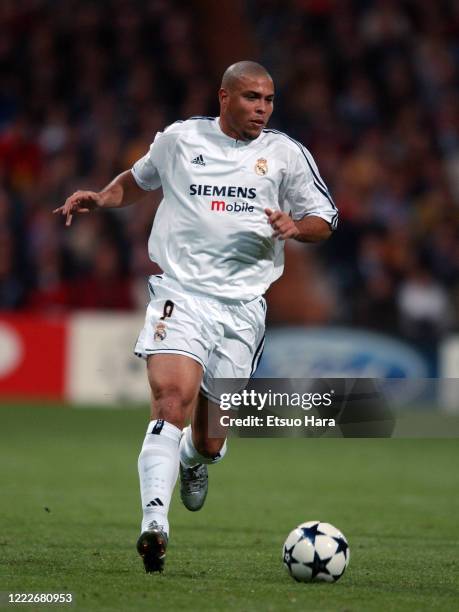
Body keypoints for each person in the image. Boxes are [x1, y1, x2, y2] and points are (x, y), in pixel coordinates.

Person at [54, 61, 338, 573]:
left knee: (209, 439)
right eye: (252, 97)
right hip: (180, 294)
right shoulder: (180, 140)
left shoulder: (285, 154)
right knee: (169, 402)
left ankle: (193, 462)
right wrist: (102, 197)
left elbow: (326, 219)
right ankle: (154, 525)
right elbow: (139, 180)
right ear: (224, 97)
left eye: (269, 100)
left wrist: (296, 227)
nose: (262, 108)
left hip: (243, 308)